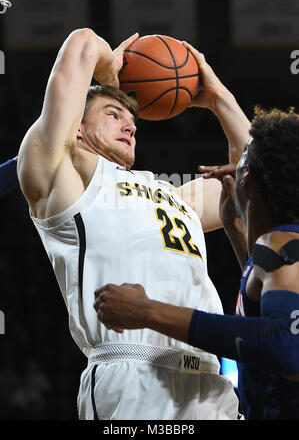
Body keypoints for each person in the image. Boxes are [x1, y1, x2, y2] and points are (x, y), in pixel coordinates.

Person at [17, 28, 250, 420]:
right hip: (132, 374)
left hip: (210, 380)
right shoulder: (61, 180)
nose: (131, 126)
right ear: (76, 127)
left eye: (133, 121)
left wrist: (217, 98)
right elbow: (82, 44)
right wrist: (110, 70)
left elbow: (256, 182)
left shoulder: (174, 196)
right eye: (113, 114)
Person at [95, 107, 299, 420]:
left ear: (248, 179)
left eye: (242, 161)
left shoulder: (285, 244)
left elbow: (287, 347)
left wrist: (148, 311)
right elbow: (264, 305)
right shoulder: (279, 248)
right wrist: (234, 228)